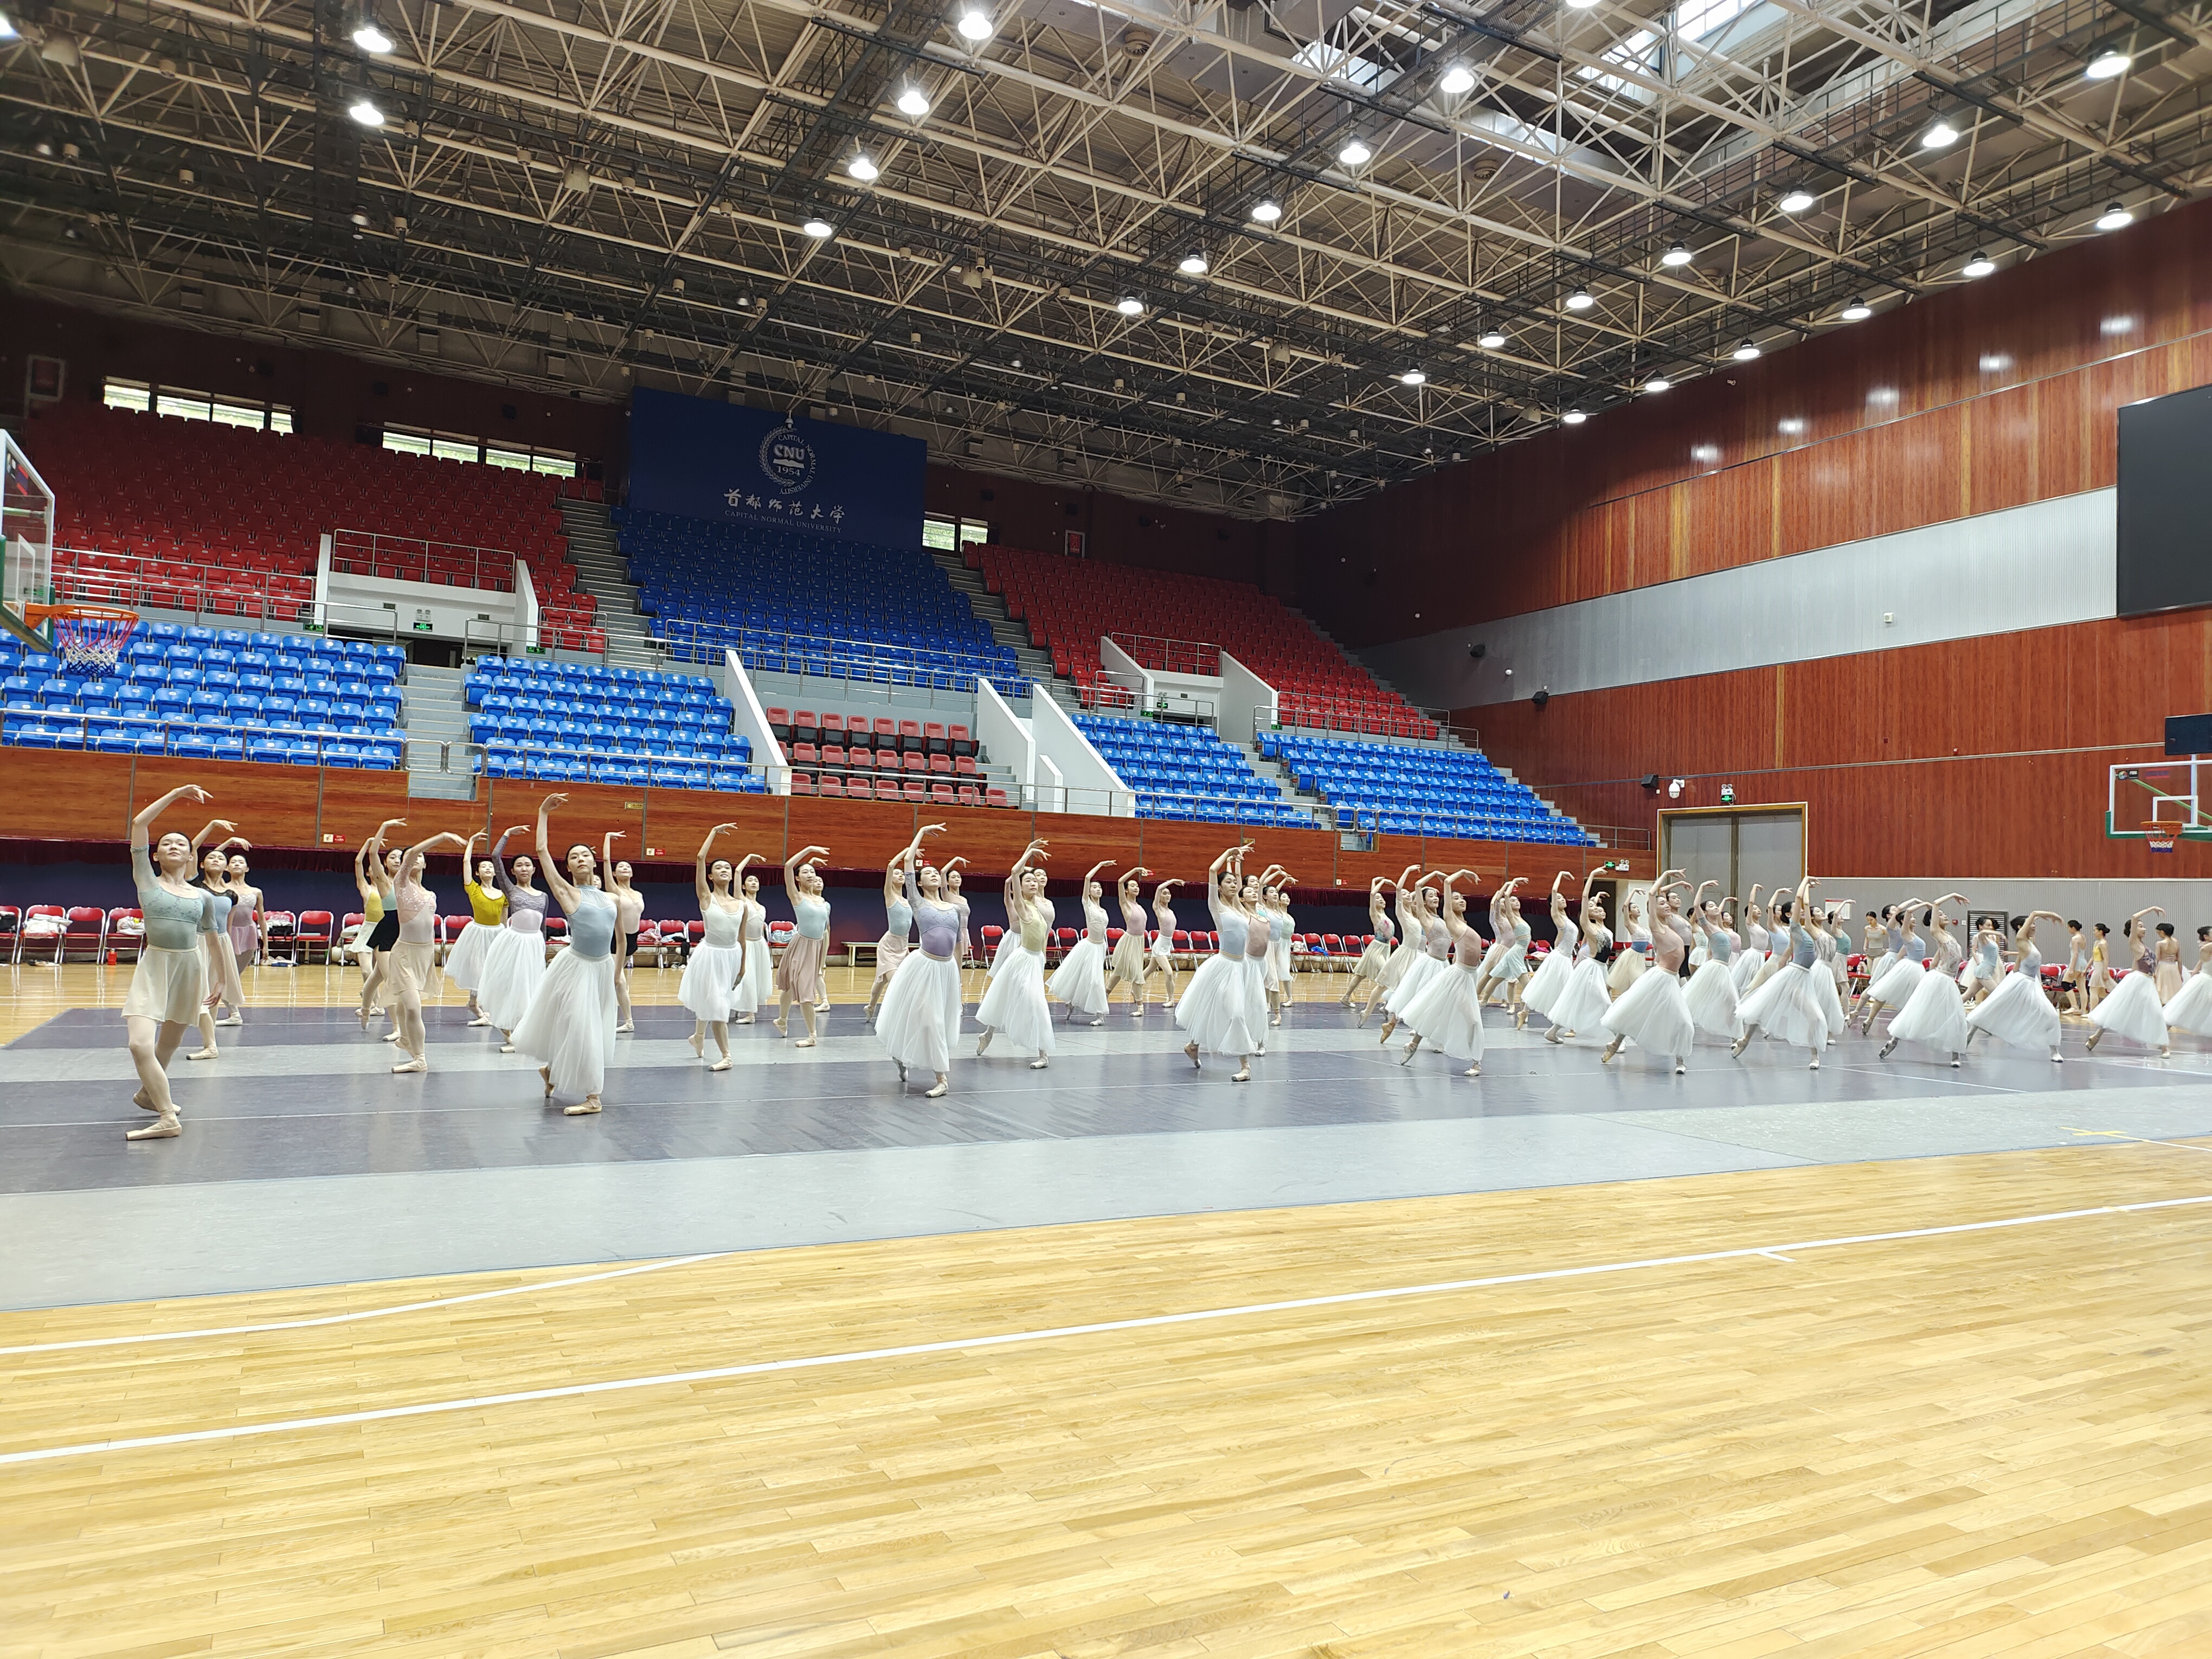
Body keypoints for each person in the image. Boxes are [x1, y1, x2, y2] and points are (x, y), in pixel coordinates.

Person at [510, 796, 622, 1115]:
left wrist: (617, 972)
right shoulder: (567, 893)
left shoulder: (611, 898)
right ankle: (593, 1097)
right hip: (576, 967)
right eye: (574, 857)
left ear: (594, 862)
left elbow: (620, 937)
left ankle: (551, 1071)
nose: (580, 859)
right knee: (581, 1027)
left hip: (602, 969)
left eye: (585, 854)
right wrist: (543, 812)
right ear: (569, 867)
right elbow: (542, 851)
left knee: (591, 1028)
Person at [119, 783, 217, 1140]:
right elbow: (139, 824)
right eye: (166, 843)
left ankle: (149, 1095)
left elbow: (213, 939)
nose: (174, 846)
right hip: (155, 965)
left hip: (189, 968)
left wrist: (221, 980)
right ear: (156, 855)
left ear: (191, 856)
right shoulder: (146, 880)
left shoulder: (201, 896)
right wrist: (175, 794)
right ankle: (166, 1117)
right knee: (139, 1044)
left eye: (181, 844)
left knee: (168, 1045)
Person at [875, 823, 962, 1096]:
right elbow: (909, 862)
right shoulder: (917, 901)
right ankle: (942, 1079)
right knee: (930, 1020)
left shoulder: (954, 909)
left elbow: (957, 946)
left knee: (938, 1020)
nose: (933, 875)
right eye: (927, 874)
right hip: (924, 967)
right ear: (919, 883)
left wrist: (959, 978)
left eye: (936, 873)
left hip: (947, 970)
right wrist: (922, 832)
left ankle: (902, 1056)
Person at [1175, 843, 1264, 1081]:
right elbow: (1213, 871)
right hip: (1224, 966)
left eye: (1236, 883)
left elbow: (1237, 879)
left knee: (1218, 1010)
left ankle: (1193, 1045)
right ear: (1220, 887)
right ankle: (1246, 1067)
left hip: (1241, 966)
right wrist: (1228, 853)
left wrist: (1237, 861)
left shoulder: (1239, 908)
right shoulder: (1216, 906)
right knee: (1236, 1014)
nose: (1234, 885)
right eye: (1229, 883)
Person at [388, 829, 468, 1075]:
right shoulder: (401, 884)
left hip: (424, 954)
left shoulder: (431, 894)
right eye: (411, 858)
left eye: (421, 857)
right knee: (413, 1007)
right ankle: (420, 1059)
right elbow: (413, 852)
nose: (416, 859)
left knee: (405, 1001)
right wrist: (443, 836)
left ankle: (405, 1039)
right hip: (404, 953)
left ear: (426, 864)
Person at [1603, 870, 1696, 1074]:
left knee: (1679, 1020)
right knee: (1641, 1012)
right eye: (1662, 904)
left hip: (1671, 979)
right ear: (1653, 909)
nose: (1667, 906)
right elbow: (1653, 893)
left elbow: (1660, 894)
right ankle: (1617, 1043)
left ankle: (1678, 1059)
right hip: (1660, 977)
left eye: (1667, 903)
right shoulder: (1654, 924)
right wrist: (1668, 873)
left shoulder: (1670, 925)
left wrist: (1677, 886)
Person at [1732, 878, 1831, 1069]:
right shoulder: (1795, 927)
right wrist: (1806, 881)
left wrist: (1779, 972)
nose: (1803, 911)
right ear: (1790, 914)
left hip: (1803, 977)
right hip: (1793, 977)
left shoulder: (1804, 931)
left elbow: (1787, 954)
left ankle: (1814, 1056)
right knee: (1763, 1007)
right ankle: (1745, 1040)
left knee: (1815, 1018)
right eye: (1797, 909)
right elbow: (1800, 898)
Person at [1397, 869, 1486, 1077]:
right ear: (1449, 904)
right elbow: (1446, 884)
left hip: (1466, 975)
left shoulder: (1463, 923)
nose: (1461, 900)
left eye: (1462, 898)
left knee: (1436, 1011)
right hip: (1458, 977)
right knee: (1472, 1020)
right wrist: (1462, 872)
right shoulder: (1449, 920)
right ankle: (1476, 1063)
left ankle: (1413, 1044)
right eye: (1456, 898)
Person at [976, 841, 1056, 1068]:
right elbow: (1013, 872)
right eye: (1028, 881)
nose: (1033, 883)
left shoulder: (1038, 908)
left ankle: (988, 1034)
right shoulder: (1021, 906)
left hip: (1036, 960)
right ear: (1019, 888)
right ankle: (1043, 1055)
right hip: (1022, 959)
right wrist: (1029, 851)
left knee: (1009, 997)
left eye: (1034, 880)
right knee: (1036, 1003)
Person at [679, 824, 748, 1070]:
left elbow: (742, 939)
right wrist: (714, 832)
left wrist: (743, 967)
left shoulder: (741, 905)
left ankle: (698, 1037)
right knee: (718, 1006)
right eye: (718, 868)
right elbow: (700, 858)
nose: (724, 870)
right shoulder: (707, 898)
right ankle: (727, 1056)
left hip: (732, 957)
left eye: (727, 867)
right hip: (710, 956)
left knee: (715, 1000)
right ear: (710, 876)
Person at [476, 824, 550, 1052]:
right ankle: (509, 1029)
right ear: (513, 871)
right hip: (515, 943)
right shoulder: (510, 889)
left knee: (531, 989)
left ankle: (521, 1034)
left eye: (527, 864)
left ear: (534, 869)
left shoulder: (543, 896)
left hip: (534, 944)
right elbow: (495, 857)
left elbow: (543, 926)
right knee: (513, 986)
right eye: (519, 865)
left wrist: (543, 951)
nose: (524, 868)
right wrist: (506, 834)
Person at [1966, 909, 2066, 1063]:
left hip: (2030, 984)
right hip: (2021, 982)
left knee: (2051, 1015)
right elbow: (2034, 913)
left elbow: (2019, 963)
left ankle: (2054, 1051)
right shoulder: (2021, 939)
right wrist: (2051, 915)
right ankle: (1969, 1036)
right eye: (2032, 924)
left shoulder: (2029, 943)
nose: (2034, 926)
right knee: (1991, 1007)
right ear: (2021, 927)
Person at [1882, 898, 1971, 1066]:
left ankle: (1956, 1055)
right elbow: (1936, 904)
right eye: (1941, 915)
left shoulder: (1948, 936)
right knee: (1918, 1011)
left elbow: (1938, 958)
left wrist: (1930, 972)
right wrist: (1953, 895)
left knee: (1956, 1016)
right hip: (1939, 979)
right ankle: (1894, 1040)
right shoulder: (1936, 932)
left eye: (1944, 914)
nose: (1945, 916)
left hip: (1946, 980)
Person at [187, 829, 249, 1060]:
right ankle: (206, 1043)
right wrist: (215, 828)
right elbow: (192, 849)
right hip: (198, 942)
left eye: (221, 859)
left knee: (213, 995)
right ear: (202, 864)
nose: (216, 860)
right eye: (211, 858)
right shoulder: (195, 884)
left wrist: (229, 950)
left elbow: (228, 926)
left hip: (221, 944)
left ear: (227, 867)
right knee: (198, 993)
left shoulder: (232, 895)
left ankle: (210, 1044)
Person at [2086, 908, 2171, 1058]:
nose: (2144, 929)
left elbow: (2136, 965)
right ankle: (2164, 1047)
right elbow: (2134, 917)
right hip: (2139, 981)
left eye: (2144, 926)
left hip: (2145, 982)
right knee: (2120, 1009)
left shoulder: (2143, 946)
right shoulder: (2134, 942)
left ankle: (2096, 1036)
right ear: (2133, 929)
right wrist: (2152, 909)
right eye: (2140, 926)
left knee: (2155, 1013)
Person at [773, 844, 832, 1046]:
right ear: (797, 878)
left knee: (798, 989)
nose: (810, 875)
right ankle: (811, 1035)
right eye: (805, 872)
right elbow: (788, 866)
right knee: (796, 989)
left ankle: (782, 1021)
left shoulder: (822, 901)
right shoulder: (797, 897)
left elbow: (825, 930)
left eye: (812, 871)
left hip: (816, 948)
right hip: (801, 947)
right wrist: (809, 849)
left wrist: (823, 956)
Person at [1379, 874, 1448, 1045]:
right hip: (1429, 962)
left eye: (1436, 895)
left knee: (1422, 995)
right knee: (1419, 994)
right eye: (1430, 896)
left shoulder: (1440, 918)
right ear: (1422, 902)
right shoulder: (1423, 915)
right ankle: (1417, 1031)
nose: (1435, 898)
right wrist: (1433, 874)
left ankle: (1394, 1024)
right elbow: (1417, 886)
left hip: (1441, 962)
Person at [1546, 875, 1615, 1044]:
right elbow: (1585, 897)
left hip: (1601, 968)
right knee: (1605, 1002)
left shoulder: (1606, 930)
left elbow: (1591, 903)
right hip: (1591, 968)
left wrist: (1596, 898)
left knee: (1577, 1000)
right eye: (1593, 908)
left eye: (1598, 907)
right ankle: (1617, 1040)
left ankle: (1552, 1032)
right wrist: (1592, 875)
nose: (1598, 909)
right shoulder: (1587, 925)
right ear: (1587, 913)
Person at [447, 833, 506, 1027]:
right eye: (483, 867)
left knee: (492, 972)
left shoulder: (503, 894)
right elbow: (466, 862)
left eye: (490, 867)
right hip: (478, 934)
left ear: (495, 873)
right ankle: (484, 1010)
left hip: (496, 934)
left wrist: (505, 938)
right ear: (478, 873)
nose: (487, 868)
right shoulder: (473, 889)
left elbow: (504, 919)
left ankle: (474, 1003)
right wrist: (471, 842)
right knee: (479, 972)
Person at [1049, 860, 1115, 1024]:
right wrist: (1100, 865)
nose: (1098, 889)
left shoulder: (1103, 910)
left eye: (1099, 887)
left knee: (1090, 979)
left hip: (1100, 947)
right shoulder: (1087, 904)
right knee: (1093, 980)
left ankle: (1073, 1004)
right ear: (1089, 892)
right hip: (1089, 946)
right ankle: (1099, 1014)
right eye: (1094, 887)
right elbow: (1087, 878)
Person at [1361, 864, 1424, 1029]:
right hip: (1404, 953)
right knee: (1384, 983)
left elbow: (1417, 891)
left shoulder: (1414, 914)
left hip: (1416, 955)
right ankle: (1367, 1012)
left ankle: (1396, 1011)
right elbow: (1399, 889)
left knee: (1410, 985)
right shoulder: (1401, 912)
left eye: (1408, 894)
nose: (1407, 895)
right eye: (1404, 894)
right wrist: (1408, 871)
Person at [1517, 872, 1578, 1032]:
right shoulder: (1556, 914)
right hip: (1560, 958)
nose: (1562, 899)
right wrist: (1561, 874)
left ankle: (1525, 1012)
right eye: (1559, 898)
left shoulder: (1567, 918)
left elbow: (1561, 937)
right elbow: (1554, 890)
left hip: (1565, 957)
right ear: (1552, 903)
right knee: (1553, 987)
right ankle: (1570, 1026)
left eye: (1563, 898)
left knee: (1554, 988)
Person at [862, 845, 915, 1026]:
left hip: (903, 946)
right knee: (894, 981)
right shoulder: (889, 896)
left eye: (902, 874)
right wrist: (908, 850)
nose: (900, 875)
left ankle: (871, 1006)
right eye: (897, 874)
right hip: (889, 945)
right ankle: (894, 1015)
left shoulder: (908, 901)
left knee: (882, 980)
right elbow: (891, 866)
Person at [1683, 883, 1741, 1044]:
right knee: (1692, 1000)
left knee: (1731, 1002)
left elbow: (1719, 912)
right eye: (1711, 906)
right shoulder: (1707, 926)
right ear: (1705, 913)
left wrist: (1725, 901)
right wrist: (1702, 886)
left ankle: (1735, 1037)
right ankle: (1736, 1037)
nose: (1715, 907)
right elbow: (1696, 906)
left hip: (1724, 968)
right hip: (1715, 967)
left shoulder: (1719, 926)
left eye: (1716, 905)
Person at [606, 839, 647, 1034]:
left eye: (628, 866)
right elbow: (606, 860)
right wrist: (608, 839)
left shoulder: (638, 894)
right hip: (616, 941)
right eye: (620, 867)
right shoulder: (614, 890)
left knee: (612, 981)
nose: (625, 868)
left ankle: (604, 1012)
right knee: (618, 981)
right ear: (614, 874)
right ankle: (629, 1021)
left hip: (632, 942)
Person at [1342, 877, 1397, 1016]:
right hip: (1377, 949)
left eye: (1382, 898)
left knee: (1361, 974)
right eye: (1378, 898)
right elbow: (1372, 894)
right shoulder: (1375, 914)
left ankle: (1346, 997)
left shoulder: (1385, 915)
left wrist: (1375, 883)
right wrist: (1380, 882)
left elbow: (1374, 894)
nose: (1381, 899)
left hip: (1385, 948)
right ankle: (1387, 1005)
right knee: (1387, 975)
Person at [729, 855, 771, 1024]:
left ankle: (750, 1013)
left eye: (756, 881)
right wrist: (749, 857)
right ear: (743, 886)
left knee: (755, 979)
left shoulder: (762, 907)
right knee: (745, 978)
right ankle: (743, 1009)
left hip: (759, 945)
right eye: (750, 881)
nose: (754, 883)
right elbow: (738, 872)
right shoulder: (741, 900)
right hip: (745, 944)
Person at [1105, 867, 1154, 1012]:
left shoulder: (1139, 906)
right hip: (1129, 941)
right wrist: (1136, 870)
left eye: (1137, 886)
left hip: (1139, 942)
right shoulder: (1125, 904)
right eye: (1132, 886)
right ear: (1126, 890)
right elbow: (1120, 882)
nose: (1136, 888)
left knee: (1118, 971)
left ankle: (1104, 996)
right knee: (1137, 973)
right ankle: (1140, 1006)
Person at [222, 849, 264, 993]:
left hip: (249, 933)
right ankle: (230, 1003)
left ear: (247, 868)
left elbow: (261, 918)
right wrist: (230, 841)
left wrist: (266, 945)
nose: (237, 864)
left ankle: (232, 1003)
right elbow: (213, 857)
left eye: (241, 862)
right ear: (227, 868)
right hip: (229, 931)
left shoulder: (256, 891)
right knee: (228, 971)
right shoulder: (222, 887)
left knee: (238, 972)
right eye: (233, 862)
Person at [2160, 927, 2212, 1040]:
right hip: (2205, 981)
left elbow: (2198, 967)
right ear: (2206, 937)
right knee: (2181, 1008)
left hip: (2206, 981)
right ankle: (2160, 1034)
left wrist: (2193, 975)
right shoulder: (2206, 948)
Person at [1149, 876, 1182, 1009]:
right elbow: (1158, 888)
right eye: (1165, 893)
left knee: (1149, 970)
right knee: (1169, 973)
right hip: (1160, 946)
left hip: (1167, 945)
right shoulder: (1157, 908)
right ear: (1160, 896)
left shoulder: (1171, 911)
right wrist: (1173, 881)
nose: (1167, 895)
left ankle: (1136, 989)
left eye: (1169, 893)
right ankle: (1171, 999)